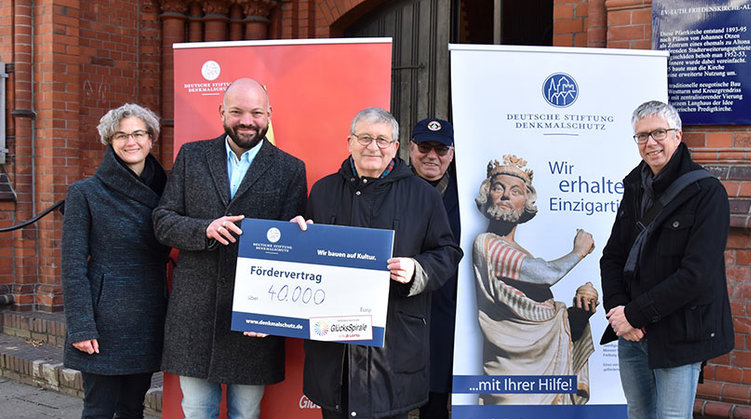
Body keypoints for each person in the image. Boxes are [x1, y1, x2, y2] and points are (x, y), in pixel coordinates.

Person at [292, 107, 463, 419]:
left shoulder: (423, 196)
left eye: (383, 140)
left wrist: (417, 271)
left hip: (392, 348)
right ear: (350, 142)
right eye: (365, 138)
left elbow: (448, 253)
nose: (373, 147)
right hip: (335, 350)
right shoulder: (323, 191)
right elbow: (306, 260)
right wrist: (297, 238)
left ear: (396, 148)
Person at [152, 77, 307, 419]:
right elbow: (162, 221)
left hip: (253, 317)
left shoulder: (290, 169)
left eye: (255, 112)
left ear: (269, 115)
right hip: (196, 312)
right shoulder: (192, 156)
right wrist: (204, 228)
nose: (246, 121)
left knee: (245, 413)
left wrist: (300, 237)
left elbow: (293, 253)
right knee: (196, 411)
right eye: (236, 112)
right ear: (222, 112)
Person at [600, 100, 734, 418]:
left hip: (679, 333)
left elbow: (696, 275)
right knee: (639, 413)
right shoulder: (635, 187)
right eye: (642, 136)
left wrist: (635, 314)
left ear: (678, 135)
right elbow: (612, 257)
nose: (650, 143)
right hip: (632, 332)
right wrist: (621, 313)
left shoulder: (707, 193)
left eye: (659, 132)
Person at [61, 103, 170, 418]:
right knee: (98, 409)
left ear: (151, 139)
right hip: (103, 322)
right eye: (120, 135)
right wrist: (81, 326)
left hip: (147, 315)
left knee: (133, 408)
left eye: (138, 133)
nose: (130, 141)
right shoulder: (85, 193)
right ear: (110, 141)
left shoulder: (168, 189)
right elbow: (72, 265)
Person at [472, 154, 597, 405]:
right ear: (488, 195)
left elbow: (542, 316)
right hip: (511, 376)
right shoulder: (487, 244)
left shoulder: (520, 252)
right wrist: (578, 252)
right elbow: (546, 275)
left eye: (515, 191)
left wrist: (579, 314)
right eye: (499, 188)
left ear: (525, 203)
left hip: (544, 371)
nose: (506, 195)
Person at [407, 118, 459, 419]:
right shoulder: (395, 188)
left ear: (451, 153)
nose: (432, 156)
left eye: (441, 149)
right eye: (425, 146)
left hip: (449, 312)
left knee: (438, 399)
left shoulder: (467, 195)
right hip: (403, 309)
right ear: (411, 148)